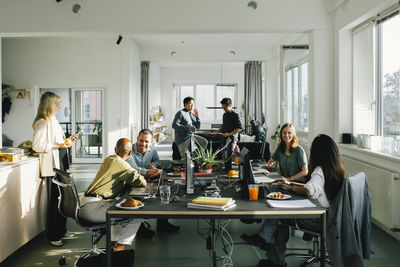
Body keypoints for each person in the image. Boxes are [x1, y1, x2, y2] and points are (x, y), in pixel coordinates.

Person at [253, 134, 345, 267]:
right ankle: (264, 239)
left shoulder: (319, 171)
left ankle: (275, 259)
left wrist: (291, 187)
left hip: (318, 219)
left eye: (313, 147)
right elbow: (315, 188)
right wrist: (290, 185)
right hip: (331, 217)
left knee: (279, 217)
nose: (311, 149)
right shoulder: (335, 168)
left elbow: (308, 190)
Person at [80, 138, 154, 252]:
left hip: (85, 205)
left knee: (118, 208)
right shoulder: (122, 164)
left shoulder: (109, 159)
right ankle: (118, 251)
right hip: (94, 208)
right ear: (130, 153)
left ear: (115, 149)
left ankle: (111, 247)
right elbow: (143, 183)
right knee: (137, 214)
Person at [32, 91, 77, 247]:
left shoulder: (53, 120)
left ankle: (61, 229)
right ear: (49, 105)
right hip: (53, 167)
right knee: (56, 201)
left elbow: (58, 142)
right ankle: (54, 235)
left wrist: (67, 141)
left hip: (61, 162)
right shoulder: (43, 122)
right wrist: (58, 145)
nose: (59, 107)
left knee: (64, 198)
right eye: (56, 104)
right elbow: (37, 146)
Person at [127, 129, 180, 232]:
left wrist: (153, 165)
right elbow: (133, 168)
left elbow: (157, 161)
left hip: (147, 180)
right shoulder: (130, 150)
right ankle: (140, 228)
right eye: (141, 140)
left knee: (163, 190)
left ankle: (162, 224)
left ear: (151, 141)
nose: (143, 144)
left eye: (146, 141)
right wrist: (147, 172)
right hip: (133, 182)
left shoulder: (153, 150)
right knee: (140, 196)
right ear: (137, 139)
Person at [213, 97, 243, 172]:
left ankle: (229, 170)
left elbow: (239, 128)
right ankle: (225, 169)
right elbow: (224, 126)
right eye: (222, 107)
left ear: (230, 105)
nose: (224, 109)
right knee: (223, 154)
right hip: (224, 137)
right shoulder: (224, 115)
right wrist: (218, 131)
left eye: (225, 107)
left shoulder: (235, 115)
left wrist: (229, 134)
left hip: (232, 138)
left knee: (230, 154)